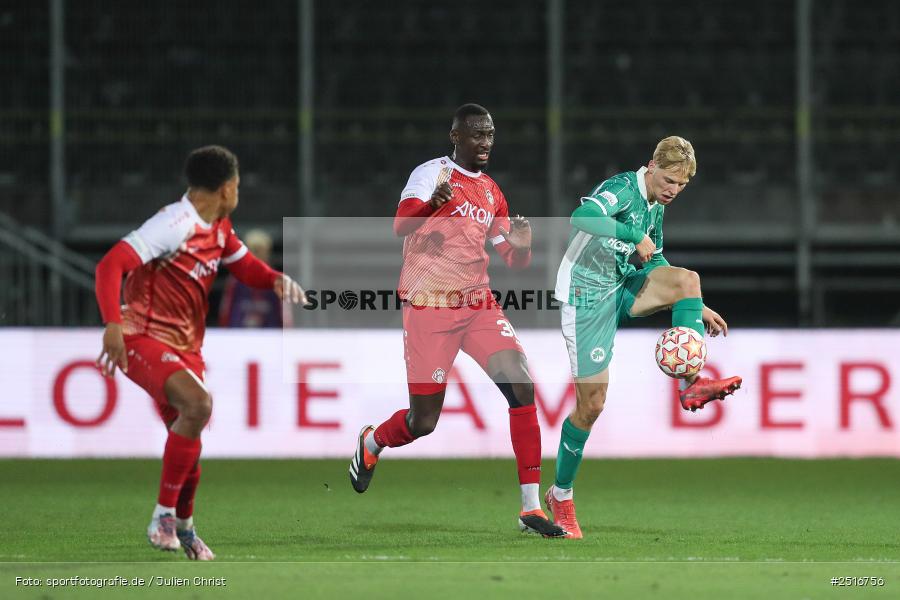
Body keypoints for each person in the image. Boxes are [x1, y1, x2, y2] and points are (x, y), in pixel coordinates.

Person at [348, 103, 565, 537]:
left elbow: (512, 259)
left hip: (477, 303)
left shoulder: (492, 192)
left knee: (521, 385)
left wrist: (522, 247)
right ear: (455, 137)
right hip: (429, 305)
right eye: (476, 135)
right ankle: (372, 442)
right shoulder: (431, 175)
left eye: (489, 134)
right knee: (422, 421)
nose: (485, 143)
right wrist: (431, 204)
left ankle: (529, 508)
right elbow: (399, 227)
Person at [94, 145, 307, 559]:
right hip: (142, 338)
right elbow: (110, 265)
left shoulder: (220, 226)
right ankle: (163, 517)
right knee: (198, 405)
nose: (239, 192)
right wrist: (112, 325)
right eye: (239, 185)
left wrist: (275, 279)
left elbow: (244, 265)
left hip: (186, 349)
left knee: (189, 441)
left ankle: (187, 528)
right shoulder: (173, 224)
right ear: (227, 187)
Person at [546, 136, 742, 538]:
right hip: (586, 297)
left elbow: (655, 261)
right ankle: (560, 494)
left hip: (621, 283)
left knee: (689, 279)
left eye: (681, 186)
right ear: (651, 166)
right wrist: (633, 235)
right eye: (669, 180)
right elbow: (580, 218)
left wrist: (691, 301)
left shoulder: (656, 204)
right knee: (592, 405)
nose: (673, 190)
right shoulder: (622, 189)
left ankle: (691, 385)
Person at [218, 229, 287, 328]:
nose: (256, 254)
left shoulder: (277, 281)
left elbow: (284, 314)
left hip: (270, 335)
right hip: (239, 333)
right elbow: (226, 310)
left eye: (260, 250)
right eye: (253, 250)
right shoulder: (234, 281)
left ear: (267, 253)